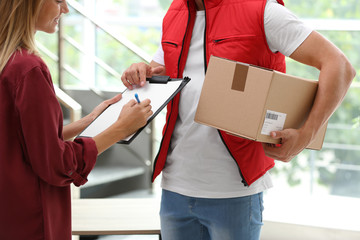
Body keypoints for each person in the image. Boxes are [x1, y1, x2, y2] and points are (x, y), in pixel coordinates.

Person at [121, 0, 356, 239]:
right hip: (174, 189)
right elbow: (155, 75)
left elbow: (339, 66)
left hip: (234, 192)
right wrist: (139, 71)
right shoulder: (175, 12)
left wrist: (307, 134)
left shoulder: (262, 11)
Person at [0, 0, 153, 239]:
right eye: (58, 1)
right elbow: (56, 163)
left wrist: (89, 121)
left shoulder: (7, 61)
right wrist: (120, 129)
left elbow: (19, 140)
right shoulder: (29, 68)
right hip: (31, 220)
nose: (66, 9)